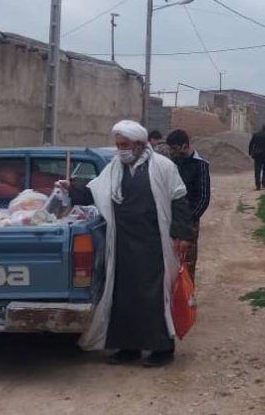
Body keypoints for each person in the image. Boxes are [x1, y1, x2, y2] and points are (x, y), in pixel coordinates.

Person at [59, 120, 194, 368]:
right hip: (122, 242)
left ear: (140, 144)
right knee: (124, 295)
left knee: (153, 296)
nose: (120, 149)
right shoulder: (114, 168)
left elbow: (179, 200)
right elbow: (95, 192)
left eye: (125, 145)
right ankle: (128, 348)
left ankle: (162, 349)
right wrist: (72, 189)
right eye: (118, 144)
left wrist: (182, 235)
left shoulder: (163, 166)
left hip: (155, 242)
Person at [166, 129, 210, 281]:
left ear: (185, 146)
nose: (171, 152)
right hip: (168, 219)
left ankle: (187, 298)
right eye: (170, 148)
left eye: (175, 149)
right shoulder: (169, 164)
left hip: (190, 221)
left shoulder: (200, 166)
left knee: (187, 262)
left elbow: (203, 198)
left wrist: (188, 220)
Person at [248, 124, 265, 190]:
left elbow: (251, 144)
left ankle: (258, 185)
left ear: (261, 128)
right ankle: (263, 183)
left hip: (257, 155)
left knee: (257, 170)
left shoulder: (255, 135)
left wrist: (250, 152)